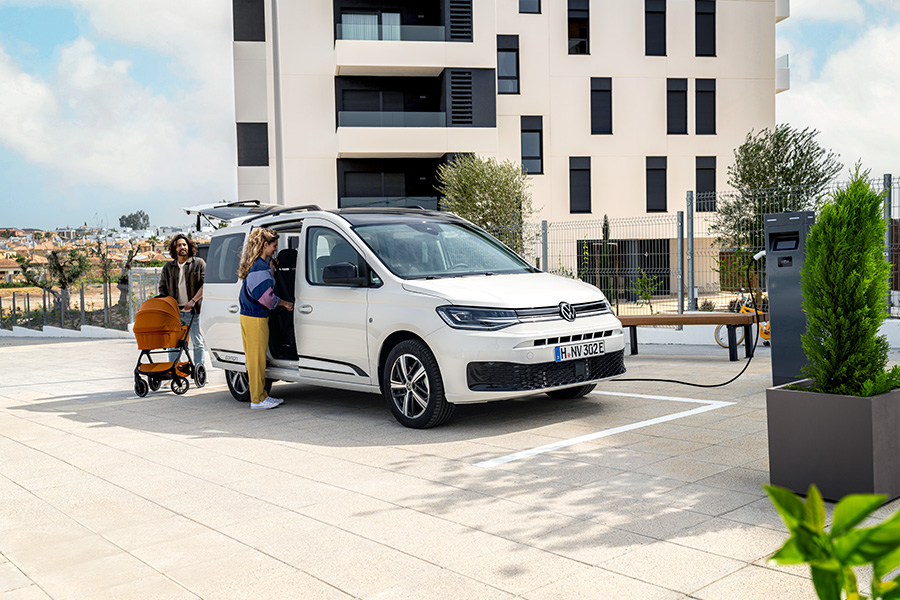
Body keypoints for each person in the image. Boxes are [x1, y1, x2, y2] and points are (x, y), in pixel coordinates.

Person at [237, 228, 294, 410]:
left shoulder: (257, 266)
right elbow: (267, 299)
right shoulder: (260, 268)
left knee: (255, 359)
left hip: (249, 316)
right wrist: (285, 303)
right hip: (256, 318)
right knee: (257, 360)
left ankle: (261, 396)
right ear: (264, 245)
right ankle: (257, 399)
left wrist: (272, 272)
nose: (276, 249)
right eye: (274, 246)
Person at [158, 233, 206, 368]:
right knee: (173, 344)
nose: (182, 247)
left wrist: (193, 301)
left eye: (184, 245)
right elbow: (162, 288)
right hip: (175, 313)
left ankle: (199, 371)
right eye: (179, 245)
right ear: (175, 249)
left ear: (189, 247)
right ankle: (173, 372)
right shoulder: (168, 267)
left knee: (197, 342)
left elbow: (205, 285)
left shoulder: (198, 263)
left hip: (194, 310)